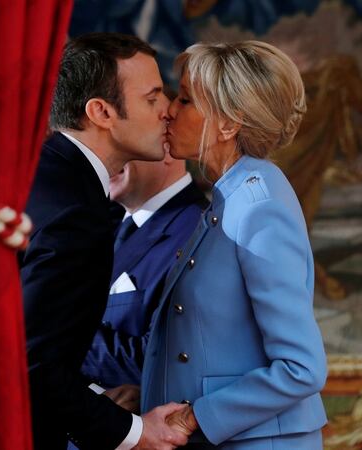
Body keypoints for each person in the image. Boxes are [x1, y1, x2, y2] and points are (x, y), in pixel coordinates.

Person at [140, 41, 328, 449]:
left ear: (228, 124)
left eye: (186, 100)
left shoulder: (257, 206)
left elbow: (302, 368)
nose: (170, 109)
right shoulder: (231, 195)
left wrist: (194, 417)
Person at [19, 32, 190, 450]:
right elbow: (32, 366)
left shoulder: (42, 175)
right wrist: (137, 434)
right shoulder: (75, 213)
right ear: (101, 112)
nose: (168, 111)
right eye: (152, 98)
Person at [81, 152, 207, 394]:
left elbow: (169, 360)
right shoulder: (99, 221)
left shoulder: (198, 232)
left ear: (167, 148)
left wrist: (58, 336)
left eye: (122, 144)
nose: (103, 157)